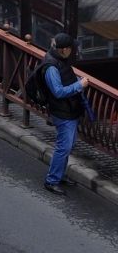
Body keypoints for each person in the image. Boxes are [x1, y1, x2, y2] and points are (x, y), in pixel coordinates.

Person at [39, 32, 88, 194]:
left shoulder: (56, 60)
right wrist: (79, 85)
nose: (72, 51)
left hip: (67, 110)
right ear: (64, 50)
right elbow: (58, 92)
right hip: (63, 112)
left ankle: (59, 175)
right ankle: (52, 180)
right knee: (64, 147)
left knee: (67, 145)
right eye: (71, 48)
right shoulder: (52, 67)